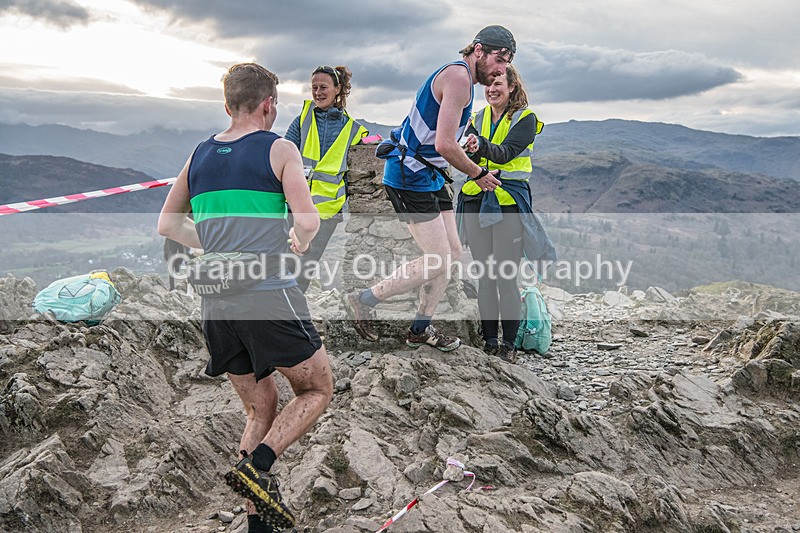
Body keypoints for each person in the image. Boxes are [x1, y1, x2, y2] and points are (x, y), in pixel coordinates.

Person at [157, 63, 333, 532]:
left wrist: (218, 246)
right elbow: (309, 219)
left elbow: (168, 225)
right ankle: (256, 466)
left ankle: (257, 526)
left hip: (217, 304)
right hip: (269, 295)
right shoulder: (279, 148)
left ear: (227, 103)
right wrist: (300, 238)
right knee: (317, 388)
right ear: (268, 105)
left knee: (260, 408)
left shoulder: (198, 155)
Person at [343, 25, 516, 351]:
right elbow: (444, 144)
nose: (501, 69)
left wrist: (466, 142)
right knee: (437, 258)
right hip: (410, 175)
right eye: (499, 58)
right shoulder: (459, 78)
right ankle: (364, 299)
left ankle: (420, 329)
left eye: (506, 63)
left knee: (451, 254)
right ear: (478, 50)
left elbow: (440, 135)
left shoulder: (463, 79)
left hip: (430, 174)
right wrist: (478, 172)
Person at [458, 64, 545, 363]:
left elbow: (507, 152)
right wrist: (471, 152)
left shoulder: (526, 118)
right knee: (485, 275)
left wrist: (478, 146)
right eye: (487, 85)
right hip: (476, 200)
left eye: (498, 83)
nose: (491, 89)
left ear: (512, 86)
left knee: (506, 275)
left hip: (508, 202)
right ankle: (490, 341)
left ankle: (509, 344)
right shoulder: (477, 118)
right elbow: (462, 153)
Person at [285, 65, 367, 292]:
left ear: (337, 89)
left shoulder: (351, 129)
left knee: (304, 270)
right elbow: (285, 152)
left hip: (328, 211)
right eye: (314, 88)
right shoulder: (302, 119)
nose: (318, 92)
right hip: (296, 207)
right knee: (286, 265)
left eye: (323, 87)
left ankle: (289, 318)